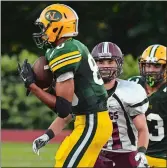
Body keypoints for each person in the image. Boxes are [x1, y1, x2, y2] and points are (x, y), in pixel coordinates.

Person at [18, 4, 112, 168]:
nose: (42, 32)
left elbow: (63, 108)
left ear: (57, 28)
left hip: (93, 123)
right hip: (87, 121)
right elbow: (69, 110)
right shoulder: (64, 48)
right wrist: (47, 135)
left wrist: (33, 86)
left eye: (44, 27)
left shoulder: (65, 51)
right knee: (61, 161)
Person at [91, 42, 149, 168]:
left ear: (118, 64)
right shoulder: (85, 91)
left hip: (125, 154)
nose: (105, 66)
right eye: (100, 62)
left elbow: (142, 128)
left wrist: (141, 152)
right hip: (94, 153)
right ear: (93, 64)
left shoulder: (130, 91)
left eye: (110, 62)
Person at [129, 44, 167, 167]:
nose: (150, 70)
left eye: (156, 66)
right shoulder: (132, 85)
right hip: (134, 154)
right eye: (148, 65)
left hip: (162, 157)